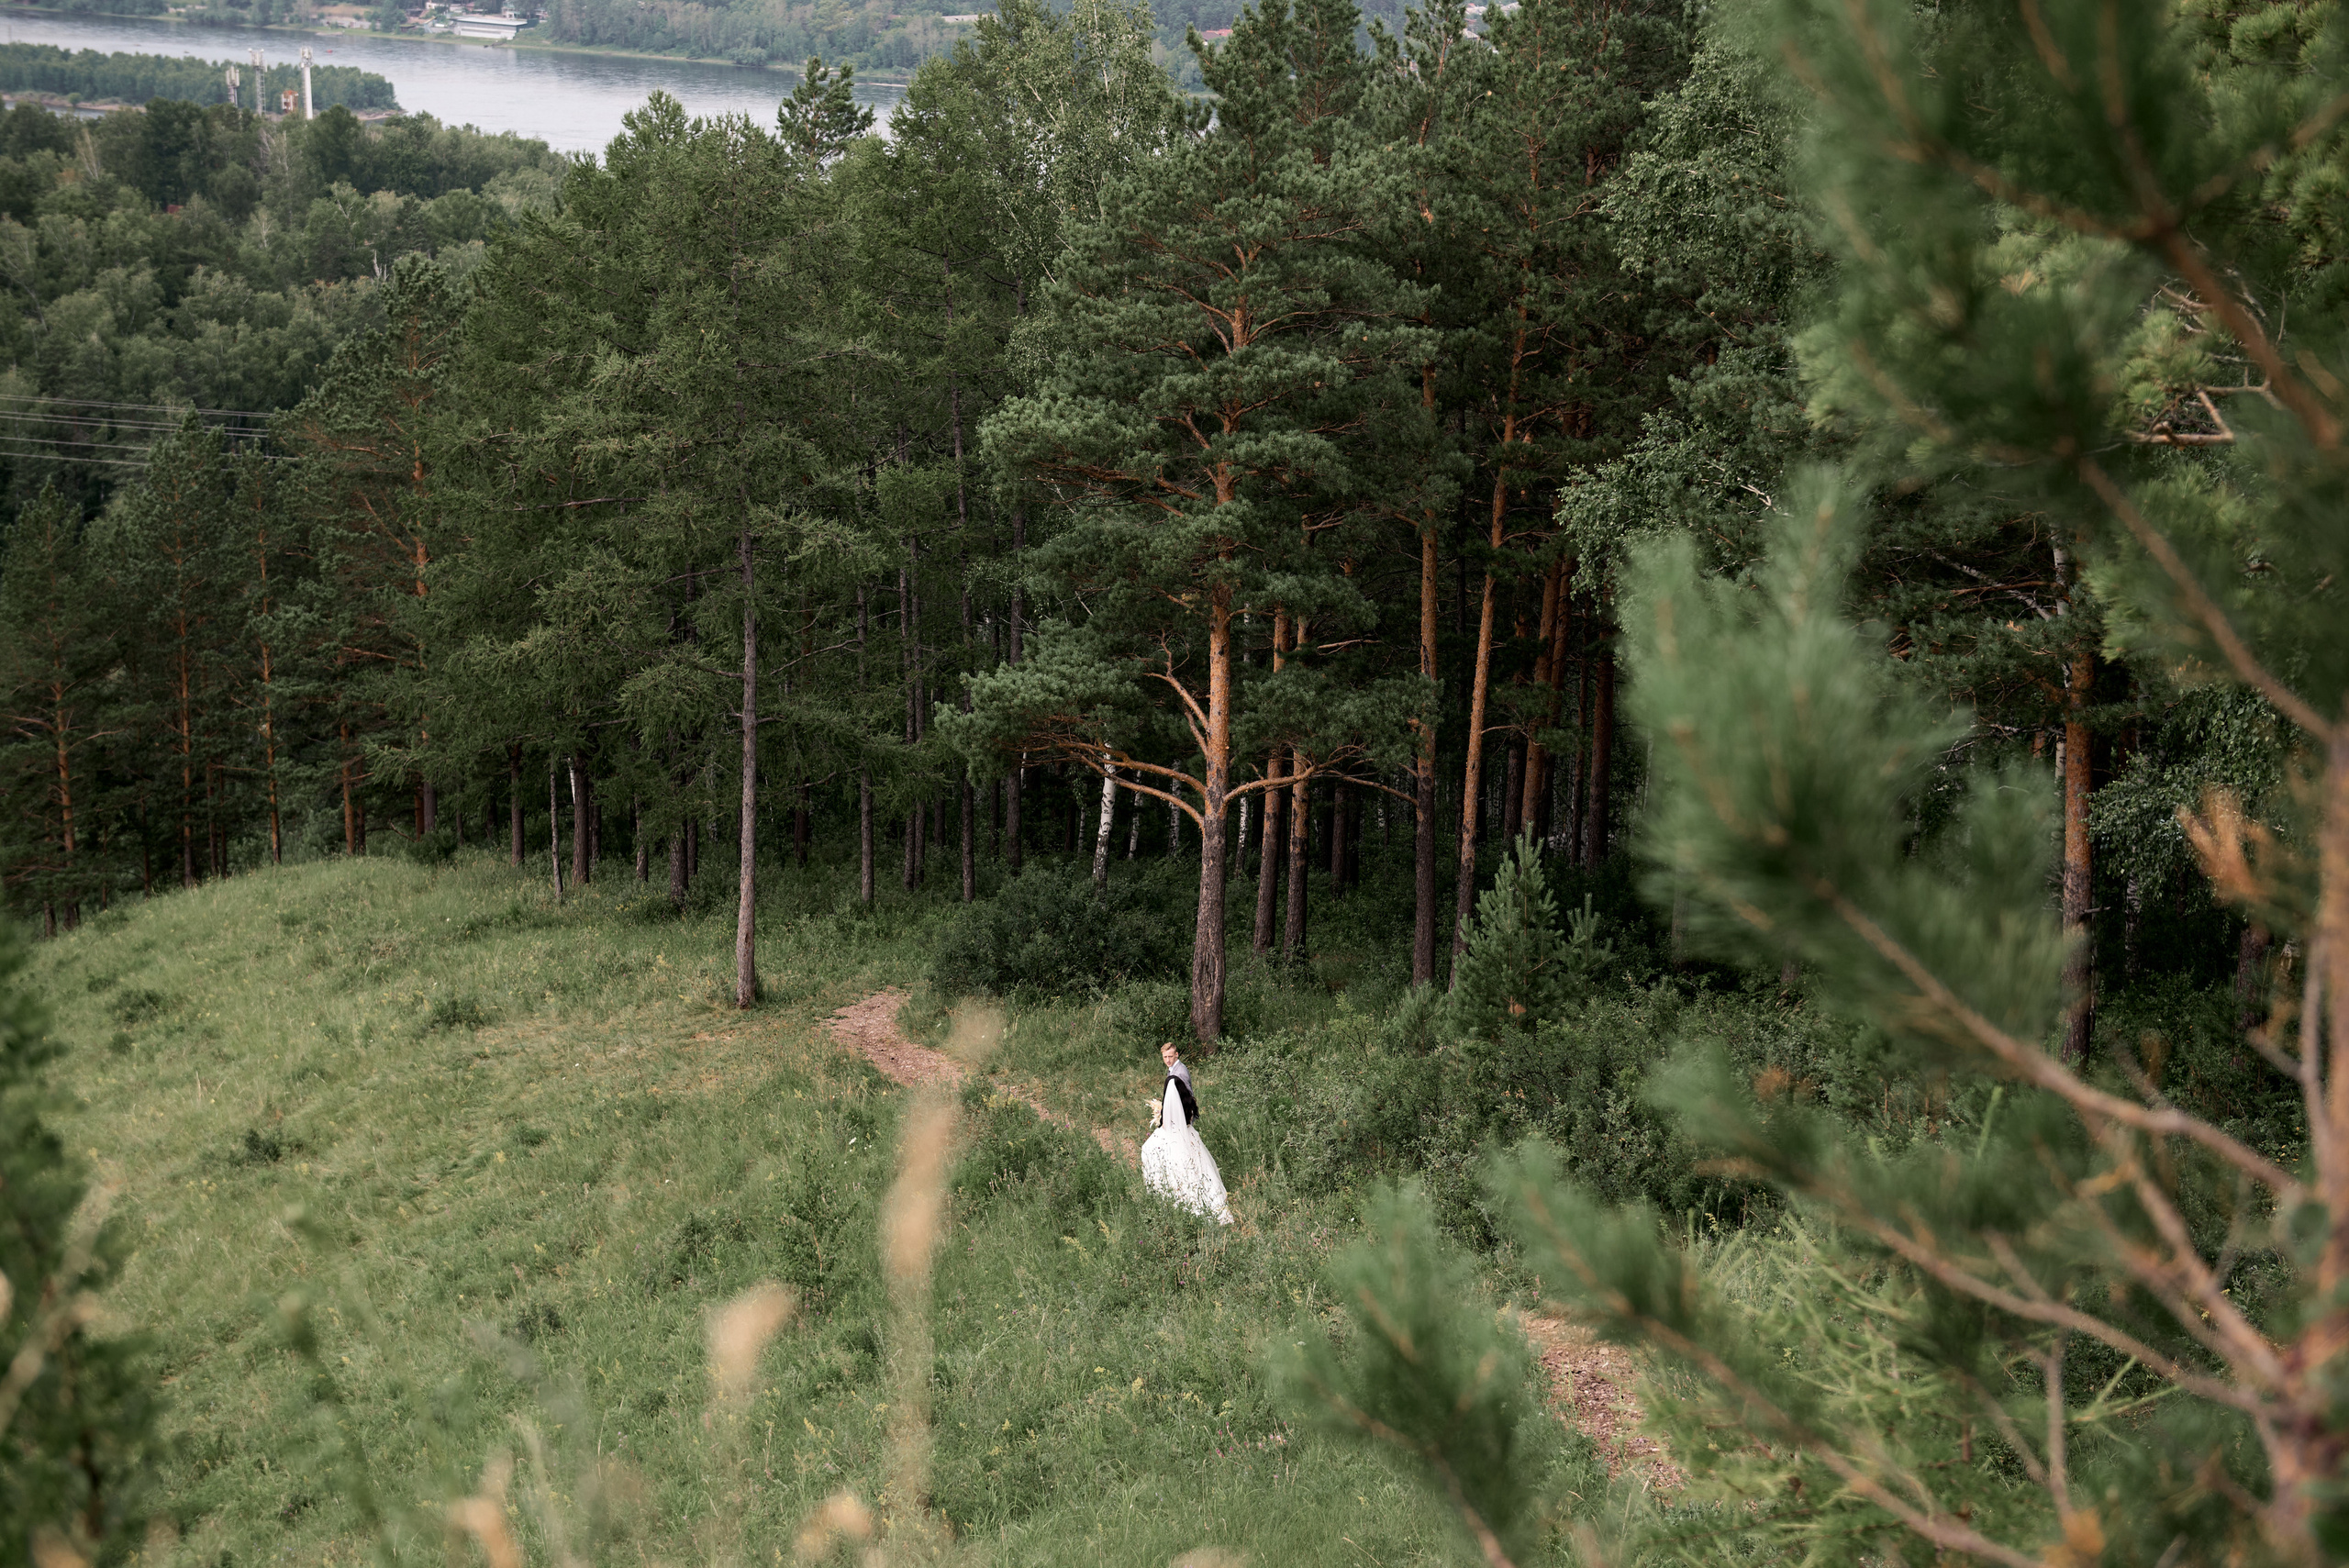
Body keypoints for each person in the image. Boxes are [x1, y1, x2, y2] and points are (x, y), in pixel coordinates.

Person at [1141, 1040, 1233, 1225]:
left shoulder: (1179, 1074)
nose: (1167, 1060)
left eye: (1170, 1056)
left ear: (1177, 1055)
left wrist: (1178, 1120)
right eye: (1164, 1057)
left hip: (1179, 1123)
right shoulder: (1174, 1070)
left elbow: (1188, 1098)